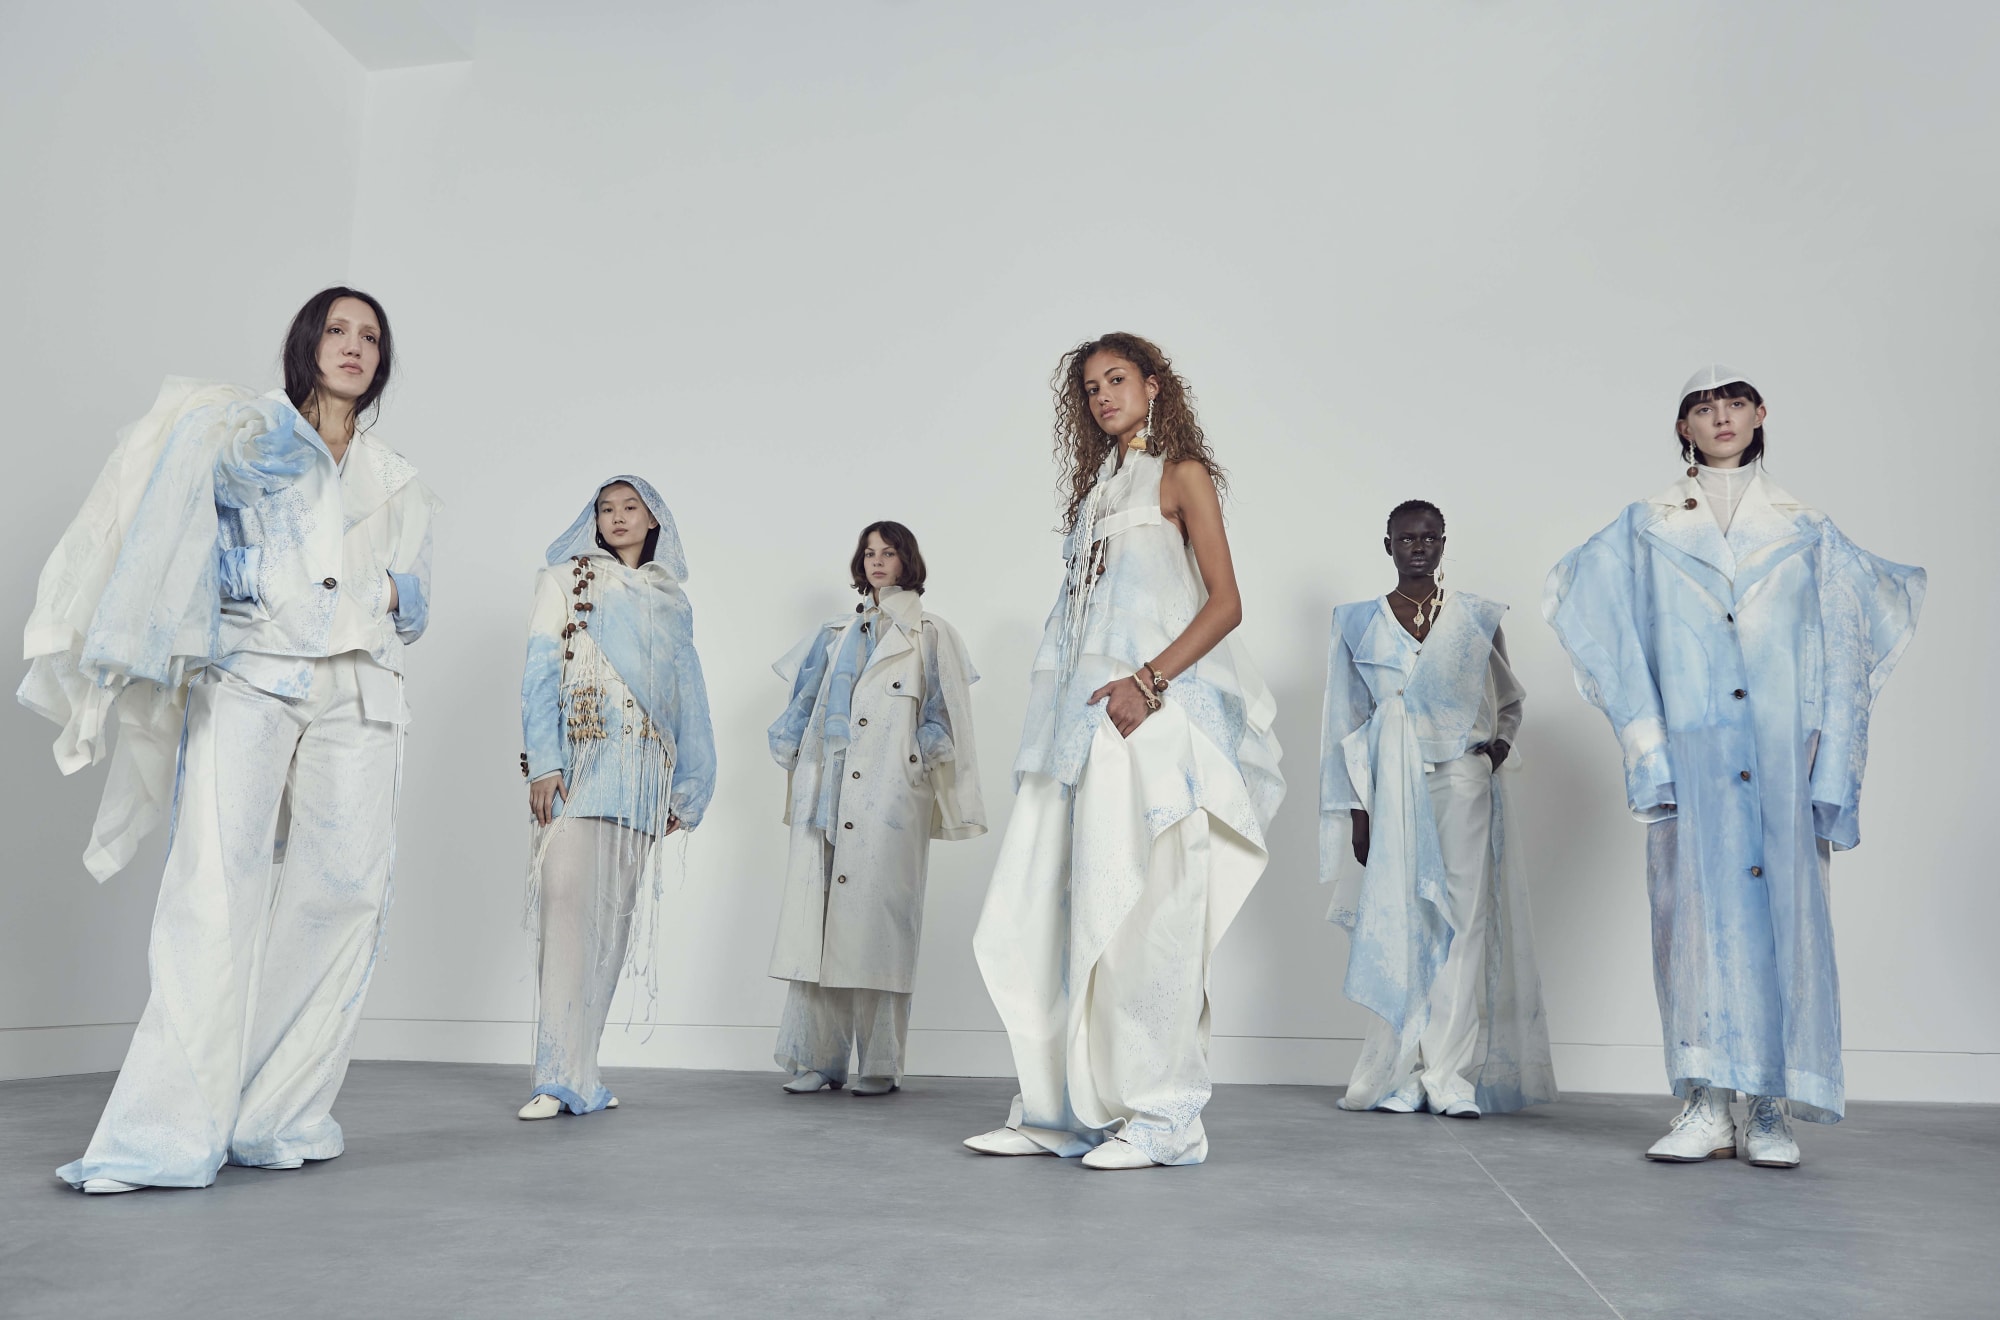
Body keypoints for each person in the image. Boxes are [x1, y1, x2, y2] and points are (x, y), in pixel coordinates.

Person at [20, 287, 438, 1192]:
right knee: (214, 890)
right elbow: (174, 539)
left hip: (362, 693)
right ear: (307, 342)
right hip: (251, 677)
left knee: (345, 896)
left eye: (372, 337)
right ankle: (160, 1137)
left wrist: (391, 598)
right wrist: (248, 578)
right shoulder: (242, 436)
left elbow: (420, 598)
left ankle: (276, 1112)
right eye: (338, 330)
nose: (355, 347)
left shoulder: (396, 474)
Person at [1544, 366, 1924, 1168]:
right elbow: (1599, 624)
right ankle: (1705, 1102)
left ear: (1760, 414)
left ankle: (1769, 1107)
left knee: (1784, 920)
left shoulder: (1809, 529)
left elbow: (1854, 638)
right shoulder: (1643, 528)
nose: (1720, 417)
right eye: (1702, 407)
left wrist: (1830, 763)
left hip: (1783, 758)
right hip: (1695, 754)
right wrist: (1648, 743)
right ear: (1683, 427)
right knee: (1690, 921)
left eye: (1734, 403)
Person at [965, 332, 1284, 1170]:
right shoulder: (1098, 493)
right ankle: (1056, 1108)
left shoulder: (1182, 476)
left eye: (1117, 379)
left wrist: (1148, 683)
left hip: (1154, 721)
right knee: (1054, 911)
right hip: (1081, 726)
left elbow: (1226, 603)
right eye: (1090, 387)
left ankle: (1164, 1116)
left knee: (1151, 915)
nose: (1103, 395)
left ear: (1152, 384)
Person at [1321, 500, 1555, 1119]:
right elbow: (1346, 722)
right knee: (1402, 918)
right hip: (1392, 785)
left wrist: (1492, 752)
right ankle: (1403, 1070)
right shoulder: (1357, 623)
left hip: (1461, 779)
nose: (1418, 547)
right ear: (1389, 545)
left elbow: (1509, 699)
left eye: (1429, 538)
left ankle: (1450, 1074)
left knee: (1464, 918)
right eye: (1407, 538)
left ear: (1444, 542)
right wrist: (1358, 811)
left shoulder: (1477, 617)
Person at [516, 476, 716, 1119]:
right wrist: (543, 764)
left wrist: (689, 786)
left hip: (639, 777)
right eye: (607, 508)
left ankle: (583, 1074)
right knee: (565, 913)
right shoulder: (564, 580)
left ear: (654, 520)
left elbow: (690, 696)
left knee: (610, 926)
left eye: (632, 508)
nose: (618, 517)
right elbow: (539, 673)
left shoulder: (669, 599)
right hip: (579, 766)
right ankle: (554, 1076)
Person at [765, 522, 985, 1096]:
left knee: (879, 929)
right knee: (822, 925)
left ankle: (880, 1063)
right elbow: (803, 708)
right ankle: (819, 1059)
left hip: (889, 799)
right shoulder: (835, 633)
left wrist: (921, 767)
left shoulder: (931, 634)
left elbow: (946, 720)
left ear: (908, 560)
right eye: (869, 553)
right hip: (828, 795)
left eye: (888, 553)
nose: (877, 562)